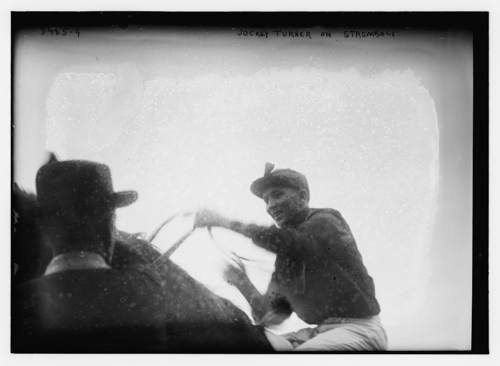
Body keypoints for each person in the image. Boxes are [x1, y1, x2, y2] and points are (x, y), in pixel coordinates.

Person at [193, 163, 388, 351]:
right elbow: (271, 316)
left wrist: (225, 222)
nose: (271, 206)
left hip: (359, 330)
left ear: (302, 198)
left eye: (277, 195)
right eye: (266, 200)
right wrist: (242, 282)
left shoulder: (328, 221)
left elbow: (289, 241)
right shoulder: (286, 258)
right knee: (244, 344)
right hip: (319, 333)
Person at [12, 155, 170, 353]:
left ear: (44, 227)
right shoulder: (144, 290)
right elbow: (142, 265)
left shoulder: (14, 307)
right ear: (109, 223)